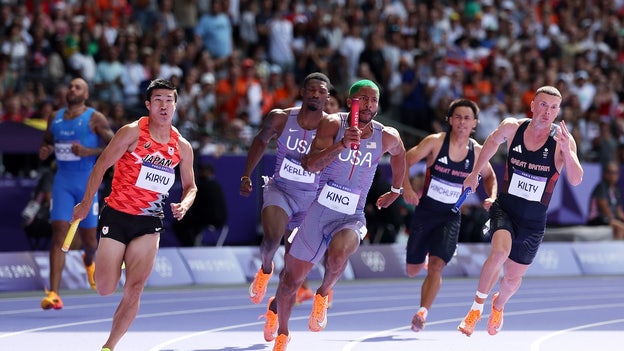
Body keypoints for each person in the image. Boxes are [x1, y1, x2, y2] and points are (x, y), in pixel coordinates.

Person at [271, 79, 406, 350]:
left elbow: (400, 154)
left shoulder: (386, 135)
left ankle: (323, 292)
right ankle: (283, 334)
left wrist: (396, 188)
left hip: (352, 216)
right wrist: (342, 144)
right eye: (363, 99)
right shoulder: (333, 124)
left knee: (338, 254)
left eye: (373, 100)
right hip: (318, 211)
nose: (368, 104)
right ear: (350, 102)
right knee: (289, 282)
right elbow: (310, 164)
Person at [71, 78, 197, 351]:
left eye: (169, 101)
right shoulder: (132, 133)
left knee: (135, 288)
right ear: (148, 105)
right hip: (117, 215)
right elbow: (102, 164)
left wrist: (185, 203)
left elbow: (191, 186)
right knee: (104, 287)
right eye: (159, 101)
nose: (164, 106)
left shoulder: (182, 146)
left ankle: (109, 346)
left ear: (175, 105)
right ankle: (112, 261)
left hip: (150, 221)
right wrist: (84, 203)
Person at [457, 86, 583, 337]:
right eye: (544, 105)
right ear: (533, 105)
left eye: (554, 108)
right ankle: (475, 309)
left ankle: (498, 305)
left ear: (558, 111)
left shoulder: (562, 140)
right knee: (499, 252)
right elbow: (490, 144)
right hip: (506, 209)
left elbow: (577, 179)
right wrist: (474, 174)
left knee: (512, 280)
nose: (548, 112)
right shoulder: (512, 127)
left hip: (534, 221)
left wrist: (567, 151)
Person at [239, 72, 331, 342]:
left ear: (327, 97)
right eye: (311, 89)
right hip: (281, 190)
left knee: (292, 274)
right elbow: (259, 140)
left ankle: (276, 317)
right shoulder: (281, 117)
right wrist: (246, 175)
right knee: (271, 237)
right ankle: (265, 268)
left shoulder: (333, 127)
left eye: (320, 91)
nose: (315, 94)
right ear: (302, 92)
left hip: (311, 202)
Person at [401, 98, 498, 332]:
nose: (462, 122)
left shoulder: (477, 152)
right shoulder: (435, 142)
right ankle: (423, 258)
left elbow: (490, 177)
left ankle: (422, 312)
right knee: (413, 270)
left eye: (467, 118)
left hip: (451, 216)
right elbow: (404, 159)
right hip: (426, 212)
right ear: (450, 120)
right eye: (458, 117)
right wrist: (406, 188)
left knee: (437, 265)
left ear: (474, 123)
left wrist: (492, 196)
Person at [38, 77, 114, 310]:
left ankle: (88, 260)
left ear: (86, 94)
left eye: (78, 87)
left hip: (86, 183)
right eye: (70, 86)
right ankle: (54, 294)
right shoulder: (55, 117)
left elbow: (115, 146)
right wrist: (46, 149)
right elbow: (48, 141)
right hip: (62, 182)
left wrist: (89, 150)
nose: (72, 89)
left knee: (90, 240)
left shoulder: (94, 118)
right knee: (59, 232)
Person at [173, 162, 227, 246]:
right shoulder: (216, 185)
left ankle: (190, 247)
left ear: (208, 172)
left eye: (203, 171)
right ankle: (192, 244)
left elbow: (196, 205)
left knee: (180, 224)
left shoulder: (204, 186)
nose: (200, 173)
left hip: (209, 219)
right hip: (218, 220)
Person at [587, 161, 624, 240]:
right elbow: (605, 209)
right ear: (605, 174)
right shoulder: (601, 187)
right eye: (610, 172)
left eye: (615, 173)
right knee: (621, 228)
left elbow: (619, 212)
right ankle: (616, 250)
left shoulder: (616, 190)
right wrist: (614, 221)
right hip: (597, 219)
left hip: (609, 220)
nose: (612, 175)